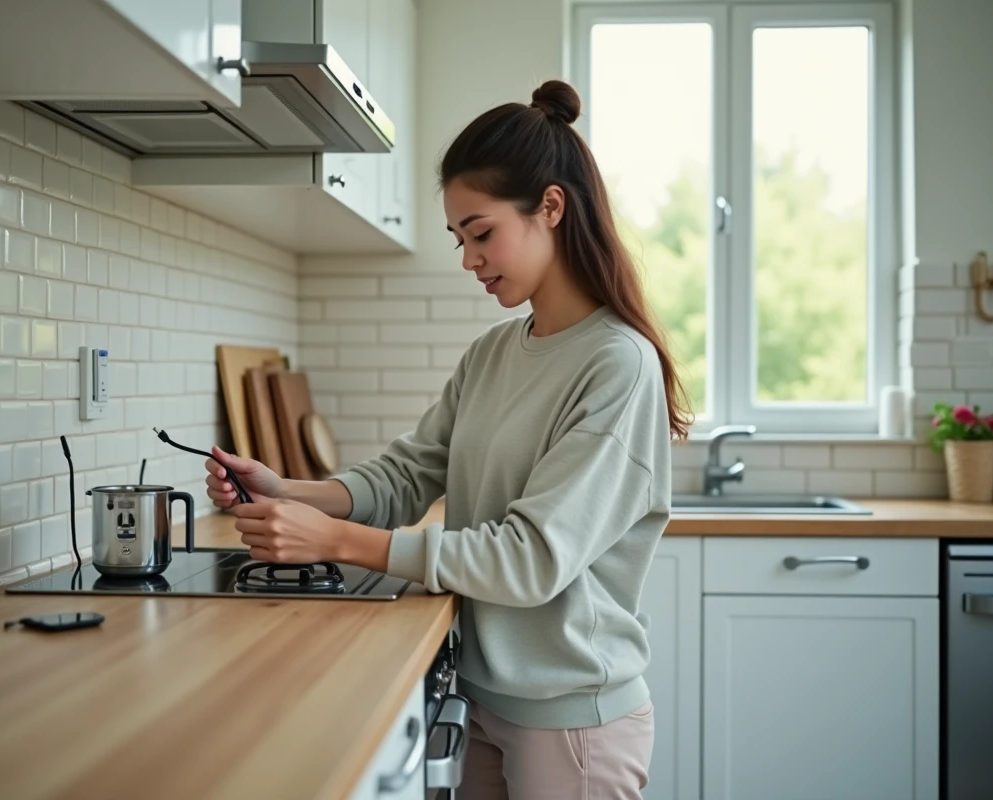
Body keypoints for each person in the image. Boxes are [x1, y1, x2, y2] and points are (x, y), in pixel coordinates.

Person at [203, 78, 692, 799]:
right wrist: (291, 491)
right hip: (482, 694)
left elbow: (530, 559)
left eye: (482, 232)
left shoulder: (617, 364)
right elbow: (409, 474)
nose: (469, 259)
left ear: (551, 208)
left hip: (572, 721)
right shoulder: (493, 353)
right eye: (460, 239)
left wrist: (337, 541)